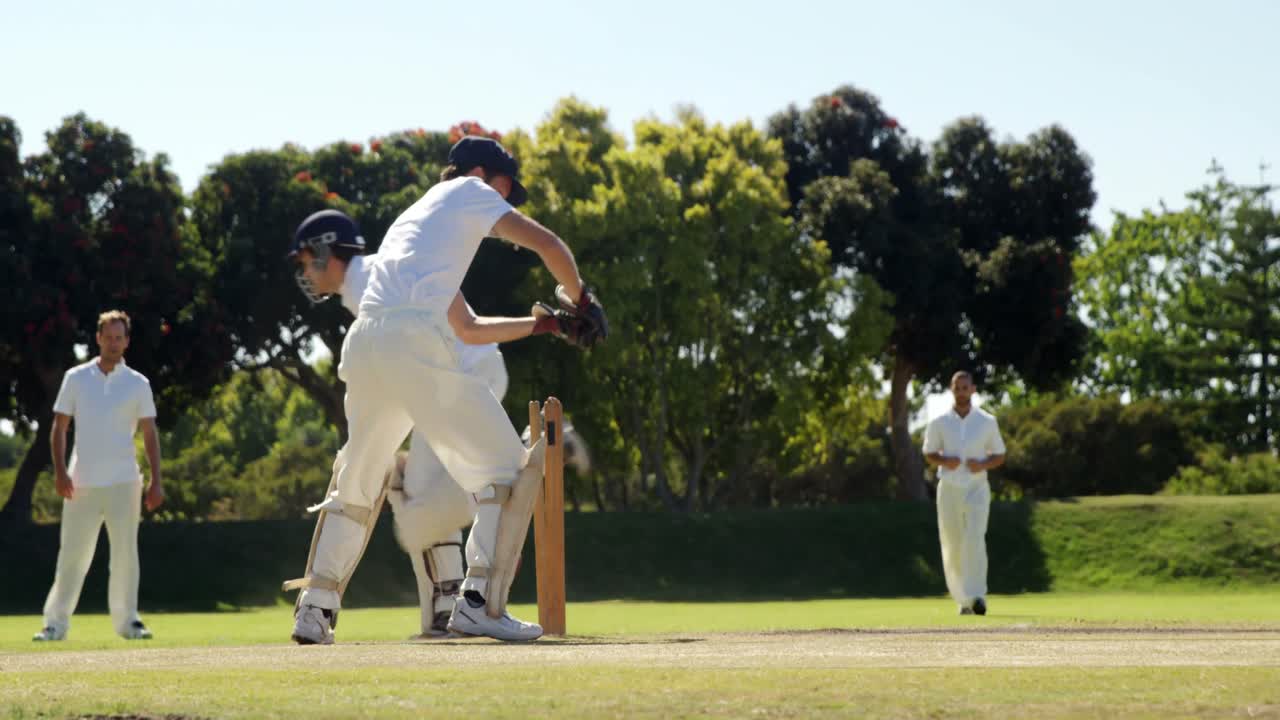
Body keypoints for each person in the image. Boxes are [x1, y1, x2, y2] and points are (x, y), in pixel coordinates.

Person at [286, 135, 605, 644]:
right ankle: (479, 602)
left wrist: (544, 326)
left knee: (358, 475)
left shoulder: (414, 223)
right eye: (506, 188)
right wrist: (582, 299)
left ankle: (316, 608)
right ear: (480, 171)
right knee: (507, 470)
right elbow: (549, 244)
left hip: (368, 344)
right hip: (418, 347)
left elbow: (469, 327)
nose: (506, 199)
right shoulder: (471, 191)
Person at [33, 310, 165, 642]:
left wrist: (156, 479)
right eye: (108, 337)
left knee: (125, 554)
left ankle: (129, 622)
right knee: (73, 556)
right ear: (98, 338)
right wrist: (61, 471)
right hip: (82, 482)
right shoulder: (75, 378)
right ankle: (55, 624)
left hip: (125, 481)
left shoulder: (138, 384)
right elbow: (59, 427)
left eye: (119, 338)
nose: (113, 343)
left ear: (127, 341)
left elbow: (150, 434)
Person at [922, 371, 1006, 616]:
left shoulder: (987, 421)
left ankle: (978, 595)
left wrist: (983, 464)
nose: (961, 392)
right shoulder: (939, 422)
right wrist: (944, 460)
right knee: (953, 542)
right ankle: (963, 599)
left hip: (977, 487)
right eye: (957, 388)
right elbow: (929, 452)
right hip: (948, 487)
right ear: (952, 390)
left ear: (973, 389)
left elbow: (999, 454)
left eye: (965, 387)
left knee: (975, 538)